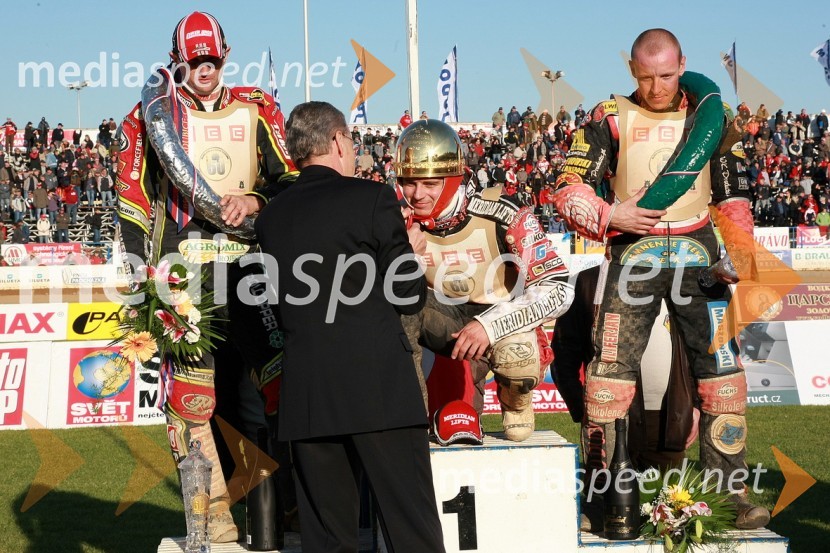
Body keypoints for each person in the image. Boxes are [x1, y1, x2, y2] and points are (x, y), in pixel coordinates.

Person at [552, 28, 769, 529]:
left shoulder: (710, 117)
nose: (656, 88)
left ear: (683, 65)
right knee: (607, 380)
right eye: (647, 77)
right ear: (631, 70)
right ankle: (602, 495)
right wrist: (610, 216)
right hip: (633, 254)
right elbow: (567, 188)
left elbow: (732, 196)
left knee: (724, 379)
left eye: (667, 76)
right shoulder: (608, 116)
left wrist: (741, 255)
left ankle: (729, 493)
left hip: (701, 258)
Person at [115, 11, 296, 543]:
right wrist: (136, 273)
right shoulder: (148, 116)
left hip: (251, 264)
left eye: (212, 59)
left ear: (225, 54)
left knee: (282, 383)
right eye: (194, 61)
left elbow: (288, 178)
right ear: (178, 60)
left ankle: (291, 503)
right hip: (184, 271)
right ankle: (211, 512)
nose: (204, 68)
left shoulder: (258, 108)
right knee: (193, 397)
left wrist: (254, 199)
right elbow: (132, 197)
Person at [257, 101, 445, 553]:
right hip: (379, 387)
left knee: (326, 540)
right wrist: (412, 256)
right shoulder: (371, 198)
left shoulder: (270, 218)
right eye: (353, 141)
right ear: (339, 140)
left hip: (308, 396)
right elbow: (407, 296)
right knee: (412, 528)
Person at [396, 119, 574, 441]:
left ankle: (515, 398)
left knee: (518, 357)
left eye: (430, 183)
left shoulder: (501, 211)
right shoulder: (395, 221)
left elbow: (559, 288)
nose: (417, 194)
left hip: (499, 322)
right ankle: (408, 411)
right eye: (409, 182)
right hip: (444, 329)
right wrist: (402, 258)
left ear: (453, 179)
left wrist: (491, 324)